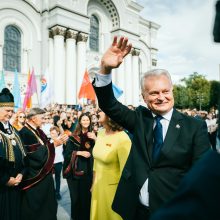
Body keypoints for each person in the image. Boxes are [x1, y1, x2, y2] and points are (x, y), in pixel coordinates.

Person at [91, 36, 211, 219]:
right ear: (144, 97)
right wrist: (105, 69)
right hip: (136, 211)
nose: (161, 97)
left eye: (165, 91)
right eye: (154, 93)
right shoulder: (140, 118)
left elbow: (201, 176)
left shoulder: (194, 126)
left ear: (172, 91)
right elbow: (109, 104)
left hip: (173, 212)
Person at [19, 108, 68, 220]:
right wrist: (54, 145)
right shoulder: (25, 133)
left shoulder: (38, 131)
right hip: (35, 179)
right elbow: (36, 156)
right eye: (42, 118)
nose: (44, 120)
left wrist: (56, 141)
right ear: (33, 118)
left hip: (44, 177)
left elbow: (45, 146)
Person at [90, 110, 131, 220]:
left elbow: (126, 170)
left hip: (114, 190)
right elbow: (96, 160)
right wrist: (93, 183)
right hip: (98, 186)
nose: (97, 112)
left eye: (101, 110)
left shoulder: (123, 138)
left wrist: (124, 194)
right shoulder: (100, 132)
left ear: (110, 115)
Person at [63, 113, 96, 220]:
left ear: (90, 121)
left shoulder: (94, 135)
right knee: (76, 199)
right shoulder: (74, 137)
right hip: (75, 173)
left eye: (87, 120)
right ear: (80, 122)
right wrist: (79, 153)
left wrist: (96, 139)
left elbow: (100, 152)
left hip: (89, 171)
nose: (86, 122)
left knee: (86, 199)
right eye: (84, 120)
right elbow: (67, 154)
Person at [0, 88, 26, 220]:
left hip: (16, 185)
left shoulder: (14, 131)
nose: (10, 114)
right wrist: (5, 180)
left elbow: (23, 156)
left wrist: (21, 173)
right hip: (2, 188)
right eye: (7, 111)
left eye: (12, 111)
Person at [50, 126, 64, 200]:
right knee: (50, 179)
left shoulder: (60, 139)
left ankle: (57, 192)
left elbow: (63, 133)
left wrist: (59, 125)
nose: (53, 134)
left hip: (58, 162)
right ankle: (51, 192)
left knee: (57, 178)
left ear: (57, 133)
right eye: (51, 133)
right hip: (51, 162)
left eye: (54, 133)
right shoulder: (49, 141)